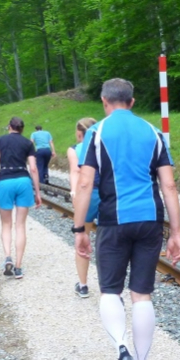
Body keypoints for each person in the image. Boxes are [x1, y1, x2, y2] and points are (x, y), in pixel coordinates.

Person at [72, 78, 180, 360]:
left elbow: (85, 184)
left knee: (110, 291)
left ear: (104, 101)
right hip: (150, 221)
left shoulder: (97, 133)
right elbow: (169, 185)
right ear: (132, 102)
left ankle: (123, 353)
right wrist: (176, 233)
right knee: (142, 294)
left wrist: (80, 229)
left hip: (113, 221)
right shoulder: (153, 132)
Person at [0, 117, 42, 279]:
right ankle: (18, 267)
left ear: (9, 127)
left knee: (6, 224)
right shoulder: (28, 143)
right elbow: (33, 168)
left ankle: (7, 257)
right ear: (22, 129)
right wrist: (37, 192)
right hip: (23, 181)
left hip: (5, 181)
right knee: (20, 225)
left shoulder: (0, 140)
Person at [67, 117, 99, 298]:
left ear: (79, 133)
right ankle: (109, 285)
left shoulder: (75, 149)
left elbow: (75, 171)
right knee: (107, 239)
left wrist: (74, 193)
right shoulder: (103, 145)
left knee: (82, 237)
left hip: (87, 195)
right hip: (105, 194)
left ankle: (83, 285)